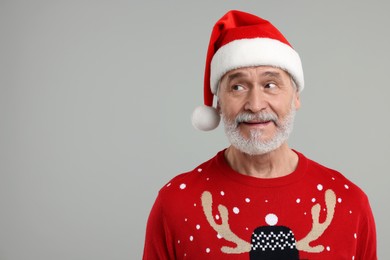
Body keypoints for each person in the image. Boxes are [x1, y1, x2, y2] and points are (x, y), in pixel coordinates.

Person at [143, 10, 377, 260]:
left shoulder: (349, 203)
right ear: (219, 102)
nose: (255, 105)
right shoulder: (176, 202)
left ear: (295, 96)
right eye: (238, 87)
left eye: (271, 85)